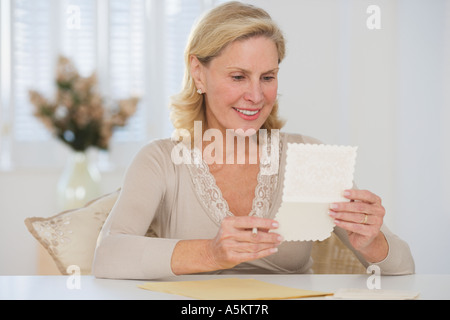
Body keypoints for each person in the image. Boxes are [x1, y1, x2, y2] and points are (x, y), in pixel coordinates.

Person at [92, 1, 414, 280]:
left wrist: (371, 242)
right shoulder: (160, 161)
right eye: (238, 77)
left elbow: (404, 268)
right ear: (198, 73)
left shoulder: (308, 156)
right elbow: (107, 255)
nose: (256, 96)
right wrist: (211, 254)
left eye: (267, 77)